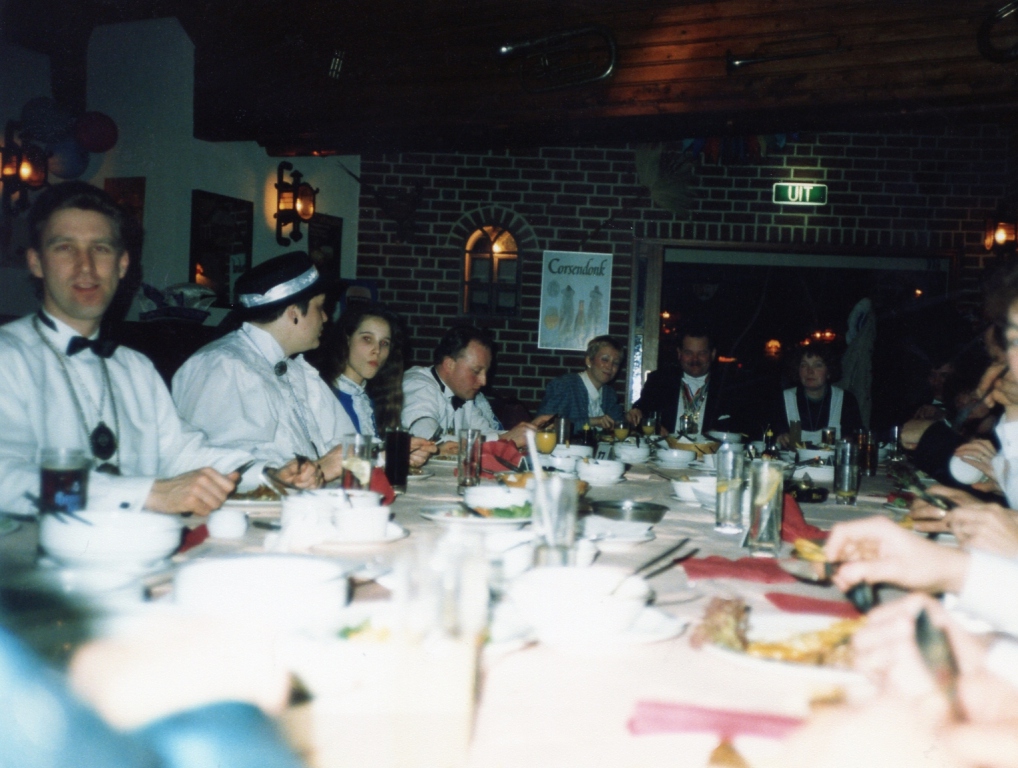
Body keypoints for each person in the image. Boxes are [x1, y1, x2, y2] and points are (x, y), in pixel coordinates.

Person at [0, 182, 298, 517]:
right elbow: (7, 479)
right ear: (36, 262)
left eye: (101, 248)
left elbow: (181, 451)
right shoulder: (7, 357)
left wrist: (266, 473)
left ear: (122, 265)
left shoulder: (135, 367)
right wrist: (144, 493)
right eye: (65, 248)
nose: (86, 266)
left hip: (141, 543)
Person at [173, 252, 356, 484]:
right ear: (293, 312)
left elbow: (344, 443)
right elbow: (219, 469)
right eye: (320, 307)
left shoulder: (296, 370)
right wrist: (315, 470)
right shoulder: (225, 366)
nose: (326, 318)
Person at [308, 303, 436, 466]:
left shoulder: (370, 402)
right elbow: (336, 463)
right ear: (347, 339)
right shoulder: (321, 393)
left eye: (384, 343)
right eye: (367, 339)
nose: (377, 350)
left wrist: (408, 452)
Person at [401, 325, 550, 449]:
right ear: (449, 365)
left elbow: (484, 433)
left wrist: (529, 431)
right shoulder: (418, 385)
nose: (484, 381)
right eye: (476, 371)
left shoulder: (464, 394)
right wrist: (506, 439)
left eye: (486, 372)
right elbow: (429, 439)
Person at [625, 326, 737, 436]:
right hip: (666, 447)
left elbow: (740, 424)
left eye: (702, 353)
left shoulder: (728, 386)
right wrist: (649, 424)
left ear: (712, 354)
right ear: (679, 353)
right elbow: (640, 414)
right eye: (688, 353)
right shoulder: (659, 380)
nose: (695, 359)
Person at [773, 345, 863, 446]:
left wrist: (850, 440)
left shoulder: (846, 399)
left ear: (829, 371)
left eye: (818, 365)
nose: (810, 371)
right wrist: (779, 437)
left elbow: (856, 437)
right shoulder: (783, 399)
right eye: (804, 365)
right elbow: (771, 434)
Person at [536, 335, 625, 432]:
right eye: (605, 359)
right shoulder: (564, 386)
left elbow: (619, 424)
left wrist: (629, 417)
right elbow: (544, 426)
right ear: (589, 361)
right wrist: (592, 421)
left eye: (615, 363)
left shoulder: (609, 394)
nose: (610, 366)